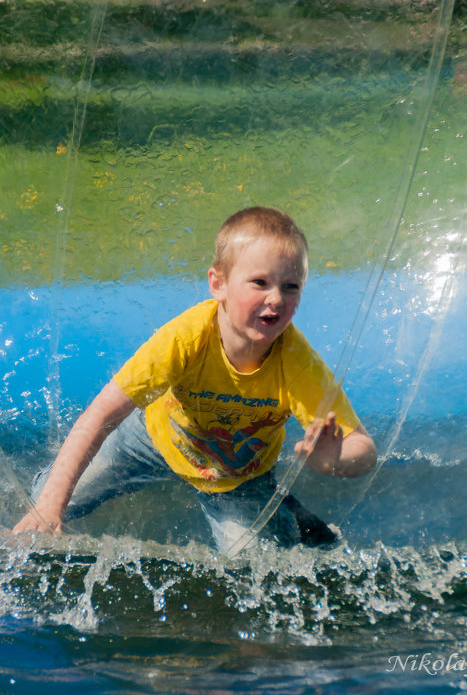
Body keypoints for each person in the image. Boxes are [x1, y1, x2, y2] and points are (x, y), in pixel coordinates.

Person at [13, 207, 377, 552]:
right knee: (47, 494)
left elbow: (364, 448)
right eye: (260, 282)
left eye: (291, 286)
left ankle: (284, 510)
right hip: (154, 437)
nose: (276, 298)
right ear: (218, 284)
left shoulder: (297, 364)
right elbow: (101, 415)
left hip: (235, 474)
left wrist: (334, 459)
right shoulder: (184, 340)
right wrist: (49, 509)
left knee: (255, 567)